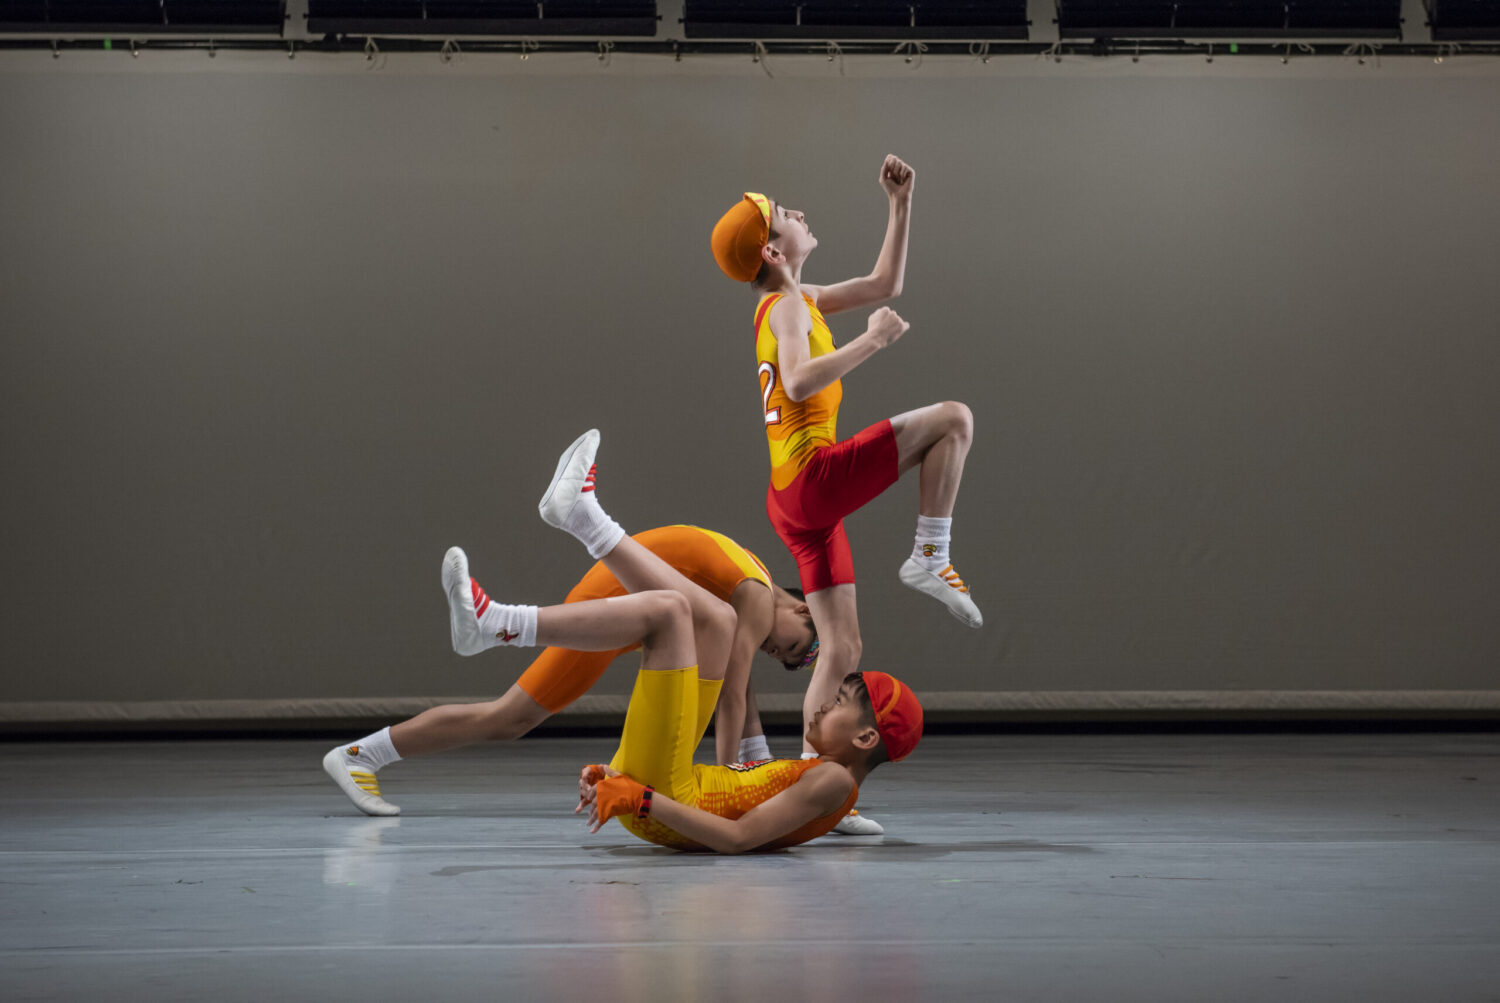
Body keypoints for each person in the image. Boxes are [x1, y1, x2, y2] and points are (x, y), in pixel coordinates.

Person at [322, 430, 883, 832]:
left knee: (511, 716)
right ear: (802, 609)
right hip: (623, 593)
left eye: (778, 655)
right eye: (788, 645)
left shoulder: (747, 592)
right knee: (511, 716)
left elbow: (739, 690)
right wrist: (730, 774)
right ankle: (565, 544)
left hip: (641, 597)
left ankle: (366, 749)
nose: (771, 648)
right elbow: (732, 695)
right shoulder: (757, 597)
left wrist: (771, 777)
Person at [710, 154, 980, 753]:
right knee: (954, 420)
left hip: (792, 497)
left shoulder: (797, 299)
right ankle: (931, 554)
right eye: (785, 215)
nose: (799, 213)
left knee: (842, 647)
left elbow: (885, 285)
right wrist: (872, 340)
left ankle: (809, 773)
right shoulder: (786, 308)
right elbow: (799, 380)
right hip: (813, 478)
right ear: (773, 252)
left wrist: (900, 204)